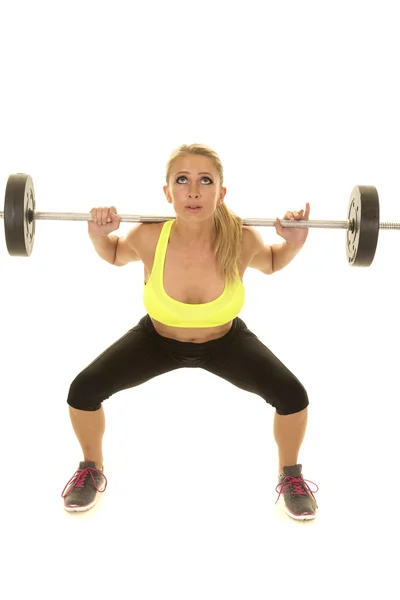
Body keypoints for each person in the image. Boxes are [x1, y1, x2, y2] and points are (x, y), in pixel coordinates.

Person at [61, 143, 319, 521]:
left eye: (205, 180)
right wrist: (99, 234)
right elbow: (115, 254)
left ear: (221, 192)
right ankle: (91, 468)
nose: (193, 190)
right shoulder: (150, 236)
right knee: (83, 391)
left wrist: (292, 245)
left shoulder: (243, 238)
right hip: (156, 342)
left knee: (293, 396)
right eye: (182, 180)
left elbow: (275, 261)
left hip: (225, 344)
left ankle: (291, 476)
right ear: (167, 192)